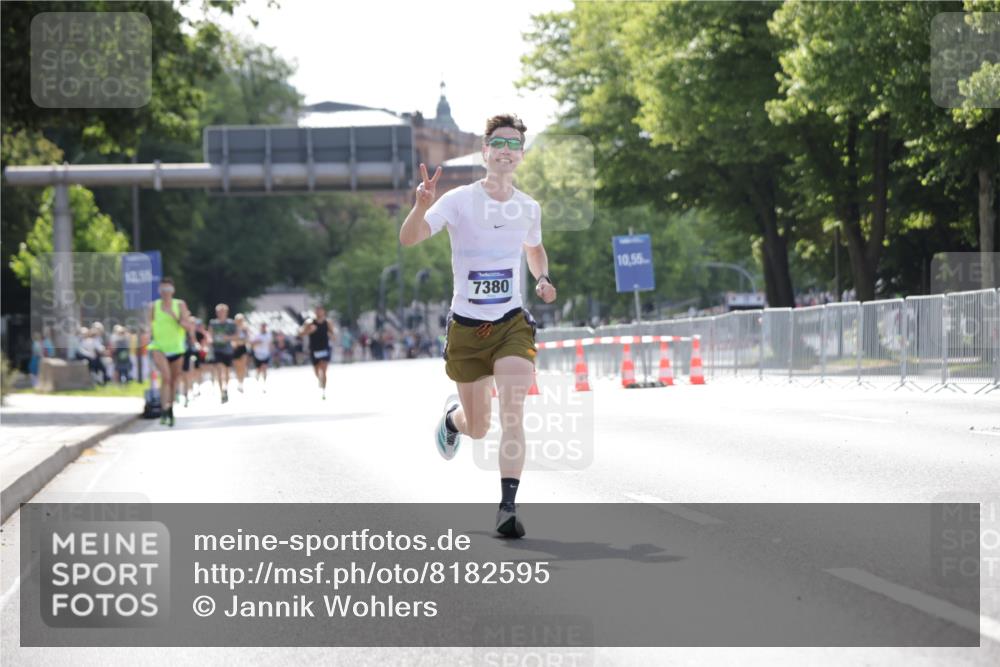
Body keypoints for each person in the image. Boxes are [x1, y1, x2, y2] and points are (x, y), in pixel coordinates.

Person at [399, 113, 557, 538]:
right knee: (480, 426)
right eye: (498, 144)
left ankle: (507, 507)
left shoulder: (529, 207)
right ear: (486, 151)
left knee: (513, 412)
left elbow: (534, 249)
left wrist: (541, 278)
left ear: (521, 156)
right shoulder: (458, 200)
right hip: (467, 328)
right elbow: (409, 238)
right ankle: (453, 420)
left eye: (514, 145)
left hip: (511, 324)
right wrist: (420, 206)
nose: (506, 151)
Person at [147, 278, 192, 427]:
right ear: (159, 291)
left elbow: (187, 326)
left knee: (173, 380)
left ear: (173, 291)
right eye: (163, 290)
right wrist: (146, 336)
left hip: (177, 348)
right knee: (165, 377)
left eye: (168, 290)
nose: (166, 293)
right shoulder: (154, 306)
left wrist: (173, 315)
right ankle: (163, 408)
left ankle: (170, 409)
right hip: (158, 347)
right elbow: (148, 326)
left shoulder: (179, 305)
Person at [299, 306, 335, 400]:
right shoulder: (309, 322)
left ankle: (324, 390)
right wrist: (309, 331)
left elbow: (333, 334)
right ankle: (319, 379)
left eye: (320, 310)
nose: (319, 312)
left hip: (325, 348)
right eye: (317, 310)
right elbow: (300, 333)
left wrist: (332, 336)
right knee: (316, 369)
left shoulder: (327, 322)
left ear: (324, 312)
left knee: (323, 368)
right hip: (314, 349)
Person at [209, 304, 237, 403]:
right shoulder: (213, 323)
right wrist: (210, 341)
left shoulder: (231, 323)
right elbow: (210, 335)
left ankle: (226, 389)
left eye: (222, 311)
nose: (221, 313)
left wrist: (227, 338)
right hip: (217, 350)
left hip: (228, 350)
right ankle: (222, 392)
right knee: (219, 370)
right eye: (219, 312)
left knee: (227, 372)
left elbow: (236, 336)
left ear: (226, 312)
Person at [251, 322, 273, 391]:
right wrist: (257, 342)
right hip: (258, 354)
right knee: (258, 370)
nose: (263, 328)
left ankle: (264, 382)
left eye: (264, 326)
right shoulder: (257, 335)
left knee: (264, 368)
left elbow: (270, 344)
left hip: (266, 354)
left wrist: (271, 352)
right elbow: (252, 343)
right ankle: (257, 378)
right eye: (262, 326)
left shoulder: (269, 335)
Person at [232, 313, 250, 393]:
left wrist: (240, 341)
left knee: (243, 366)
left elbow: (247, 339)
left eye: (241, 320)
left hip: (242, 348)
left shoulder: (245, 329)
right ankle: (239, 381)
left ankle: (241, 383)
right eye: (238, 320)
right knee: (237, 367)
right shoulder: (233, 328)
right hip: (235, 349)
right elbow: (232, 339)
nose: (239, 321)